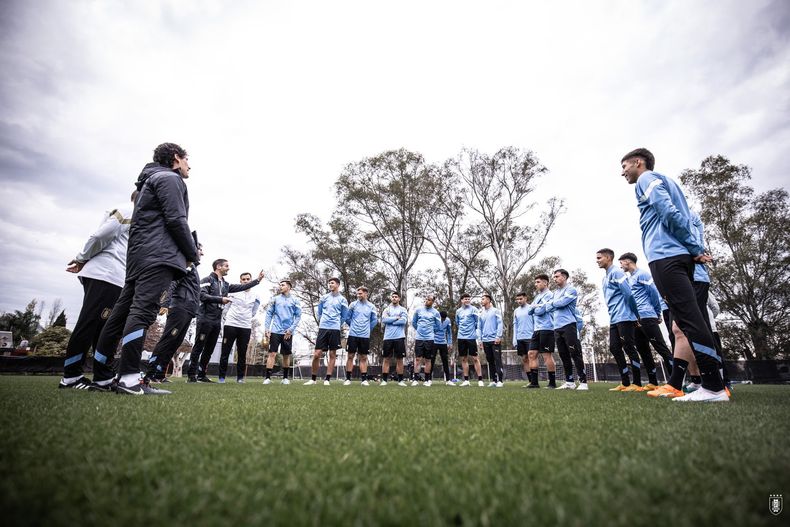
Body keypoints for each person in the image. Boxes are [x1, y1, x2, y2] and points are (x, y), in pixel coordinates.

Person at [91, 142, 199, 395]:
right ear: (176, 158)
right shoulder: (170, 179)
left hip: (139, 258)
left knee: (120, 316)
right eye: (186, 160)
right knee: (142, 313)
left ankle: (103, 378)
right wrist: (192, 254)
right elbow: (176, 219)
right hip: (158, 258)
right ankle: (129, 378)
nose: (189, 165)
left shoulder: (148, 182)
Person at [621, 148, 727, 401]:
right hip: (677, 255)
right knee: (690, 321)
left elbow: (667, 211)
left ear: (639, 162)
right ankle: (710, 384)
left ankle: (713, 387)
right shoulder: (669, 182)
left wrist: (694, 247)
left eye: (624, 166)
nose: (622, 172)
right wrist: (692, 249)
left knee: (689, 321)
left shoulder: (647, 179)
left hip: (666, 256)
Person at [59, 190, 136, 390]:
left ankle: (103, 377)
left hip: (116, 278)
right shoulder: (129, 210)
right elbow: (101, 235)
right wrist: (81, 257)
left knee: (104, 329)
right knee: (90, 323)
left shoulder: (141, 216)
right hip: (105, 274)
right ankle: (71, 377)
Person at [187, 260, 263, 382]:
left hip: (217, 321)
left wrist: (257, 280)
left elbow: (242, 287)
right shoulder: (207, 280)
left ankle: (201, 375)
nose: (228, 268)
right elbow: (202, 296)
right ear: (219, 267)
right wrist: (221, 299)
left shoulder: (226, 284)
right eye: (226, 266)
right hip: (205, 318)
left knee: (209, 349)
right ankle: (191, 376)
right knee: (199, 347)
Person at [145, 242, 203, 383]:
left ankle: (160, 373)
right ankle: (151, 373)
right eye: (200, 250)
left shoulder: (193, 268)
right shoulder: (186, 265)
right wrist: (164, 303)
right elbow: (173, 283)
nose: (202, 253)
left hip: (189, 310)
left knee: (175, 342)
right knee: (168, 339)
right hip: (179, 307)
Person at [618, 253, 667, 390]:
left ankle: (676, 382)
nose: (620, 266)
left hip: (648, 316)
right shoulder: (629, 279)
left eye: (621, 263)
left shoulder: (643, 274)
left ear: (628, 261)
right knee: (643, 350)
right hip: (636, 319)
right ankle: (653, 382)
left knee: (660, 348)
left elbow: (654, 294)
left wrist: (657, 313)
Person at [597, 249, 644, 392]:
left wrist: (636, 315)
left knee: (629, 347)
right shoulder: (605, 277)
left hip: (625, 316)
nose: (597, 260)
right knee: (614, 348)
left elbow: (628, 294)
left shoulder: (617, 272)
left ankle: (637, 383)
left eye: (599, 258)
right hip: (614, 318)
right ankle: (625, 382)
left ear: (608, 257)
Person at [544, 269, 589, 390]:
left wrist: (554, 303)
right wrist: (554, 303)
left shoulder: (571, 290)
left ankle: (583, 382)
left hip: (569, 325)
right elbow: (548, 307)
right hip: (557, 327)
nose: (554, 279)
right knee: (563, 355)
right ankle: (569, 382)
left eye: (557, 276)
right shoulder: (555, 293)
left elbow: (562, 303)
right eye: (554, 277)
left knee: (575, 353)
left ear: (564, 277)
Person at [218, 272, 262, 383]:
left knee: (242, 353)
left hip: (245, 327)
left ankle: (240, 378)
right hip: (230, 325)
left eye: (248, 279)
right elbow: (226, 308)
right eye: (243, 279)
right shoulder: (233, 292)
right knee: (225, 352)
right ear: (240, 281)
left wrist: (245, 318)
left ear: (251, 280)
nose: (246, 281)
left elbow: (254, 311)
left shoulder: (256, 296)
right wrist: (226, 320)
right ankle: (222, 378)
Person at [305, 277, 348, 385]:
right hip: (323, 328)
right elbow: (319, 312)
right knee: (317, 354)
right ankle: (313, 379)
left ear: (338, 285)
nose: (330, 285)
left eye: (332, 283)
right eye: (329, 283)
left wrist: (337, 324)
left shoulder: (342, 299)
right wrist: (322, 322)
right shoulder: (324, 298)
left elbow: (344, 315)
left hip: (335, 329)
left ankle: (327, 379)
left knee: (332, 354)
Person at [264, 280, 302, 385]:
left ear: (289, 287)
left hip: (287, 332)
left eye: (282, 285)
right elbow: (269, 314)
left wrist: (291, 329)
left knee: (286, 355)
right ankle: (267, 378)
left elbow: (298, 316)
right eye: (279, 285)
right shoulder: (275, 299)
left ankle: (285, 378)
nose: (280, 286)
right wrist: (267, 328)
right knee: (272, 353)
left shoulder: (295, 301)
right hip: (275, 330)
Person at [343, 286, 378, 386]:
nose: (358, 295)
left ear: (366, 294)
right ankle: (348, 379)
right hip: (353, 334)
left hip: (365, 336)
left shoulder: (371, 306)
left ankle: (364, 379)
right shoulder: (353, 305)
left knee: (363, 357)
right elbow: (347, 318)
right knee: (350, 356)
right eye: (357, 293)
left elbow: (374, 320)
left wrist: (367, 329)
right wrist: (353, 326)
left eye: (360, 293)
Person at [527, 274, 557, 388]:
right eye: (535, 282)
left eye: (538, 282)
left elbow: (540, 311)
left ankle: (552, 382)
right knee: (531, 354)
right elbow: (530, 311)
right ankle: (534, 382)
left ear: (545, 283)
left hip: (547, 328)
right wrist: (534, 307)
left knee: (546, 355)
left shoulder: (549, 295)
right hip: (537, 329)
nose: (536, 284)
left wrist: (534, 307)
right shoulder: (537, 296)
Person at [411, 295, 442, 386]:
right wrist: (420, 330)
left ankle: (427, 380)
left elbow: (439, 326)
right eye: (426, 299)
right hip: (419, 338)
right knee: (418, 359)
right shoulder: (418, 310)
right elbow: (414, 322)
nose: (427, 301)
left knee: (428, 359)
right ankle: (415, 379)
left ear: (433, 302)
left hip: (430, 339)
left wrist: (431, 332)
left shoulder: (436, 313)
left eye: (429, 300)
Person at [455, 293, 485, 387]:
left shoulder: (474, 309)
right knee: (464, 358)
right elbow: (457, 323)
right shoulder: (458, 311)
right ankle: (466, 380)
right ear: (461, 300)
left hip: (471, 338)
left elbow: (478, 323)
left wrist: (476, 335)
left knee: (475, 358)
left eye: (468, 299)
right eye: (465, 299)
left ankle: (480, 380)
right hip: (461, 337)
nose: (467, 300)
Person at [380, 292, 408, 386]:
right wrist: (396, 318)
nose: (394, 298)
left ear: (399, 298)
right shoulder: (386, 309)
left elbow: (403, 321)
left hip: (399, 337)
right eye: (393, 297)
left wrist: (391, 321)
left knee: (400, 359)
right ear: (391, 298)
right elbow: (384, 320)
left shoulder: (403, 309)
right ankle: (384, 380)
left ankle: (400, 381)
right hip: (388, 337)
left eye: (396, 297)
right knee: (386, 359)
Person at [478, 293, 504, 387]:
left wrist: (498, 336)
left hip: (495, 340)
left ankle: (500, 380)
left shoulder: (496, 311)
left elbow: (500, 323)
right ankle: (494, 380)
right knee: (490, 360)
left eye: (483, 299)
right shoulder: (481, 313)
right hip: (485, 341)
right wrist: (480, 340)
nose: (482, 301)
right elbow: (479, 328)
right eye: (481, 299)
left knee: (497, 359)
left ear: (489, 300)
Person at [512, 292, 534, 387]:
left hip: (530, 337)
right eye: (517, 299)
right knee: (525, 359)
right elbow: (515, 325)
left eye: (521, 299)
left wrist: (535, 336)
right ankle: (530, 381)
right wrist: (514, 338)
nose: (519, 301)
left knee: (532, 358)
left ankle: (534, 381)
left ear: (525, 298)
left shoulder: (531, 308)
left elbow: (535, 322)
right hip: (520, 338)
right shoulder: (516, 311)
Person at [432, 310, 454, 385]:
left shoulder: (448, 320)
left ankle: (448, 380)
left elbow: (449, 332)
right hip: (434, 342)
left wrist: (449, 343)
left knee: (445, 361)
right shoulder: (434, 320)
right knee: (431, 360)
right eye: (442, 318)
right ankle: (428, 380)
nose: (443, 320)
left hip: (443, 343)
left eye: (444, 319)